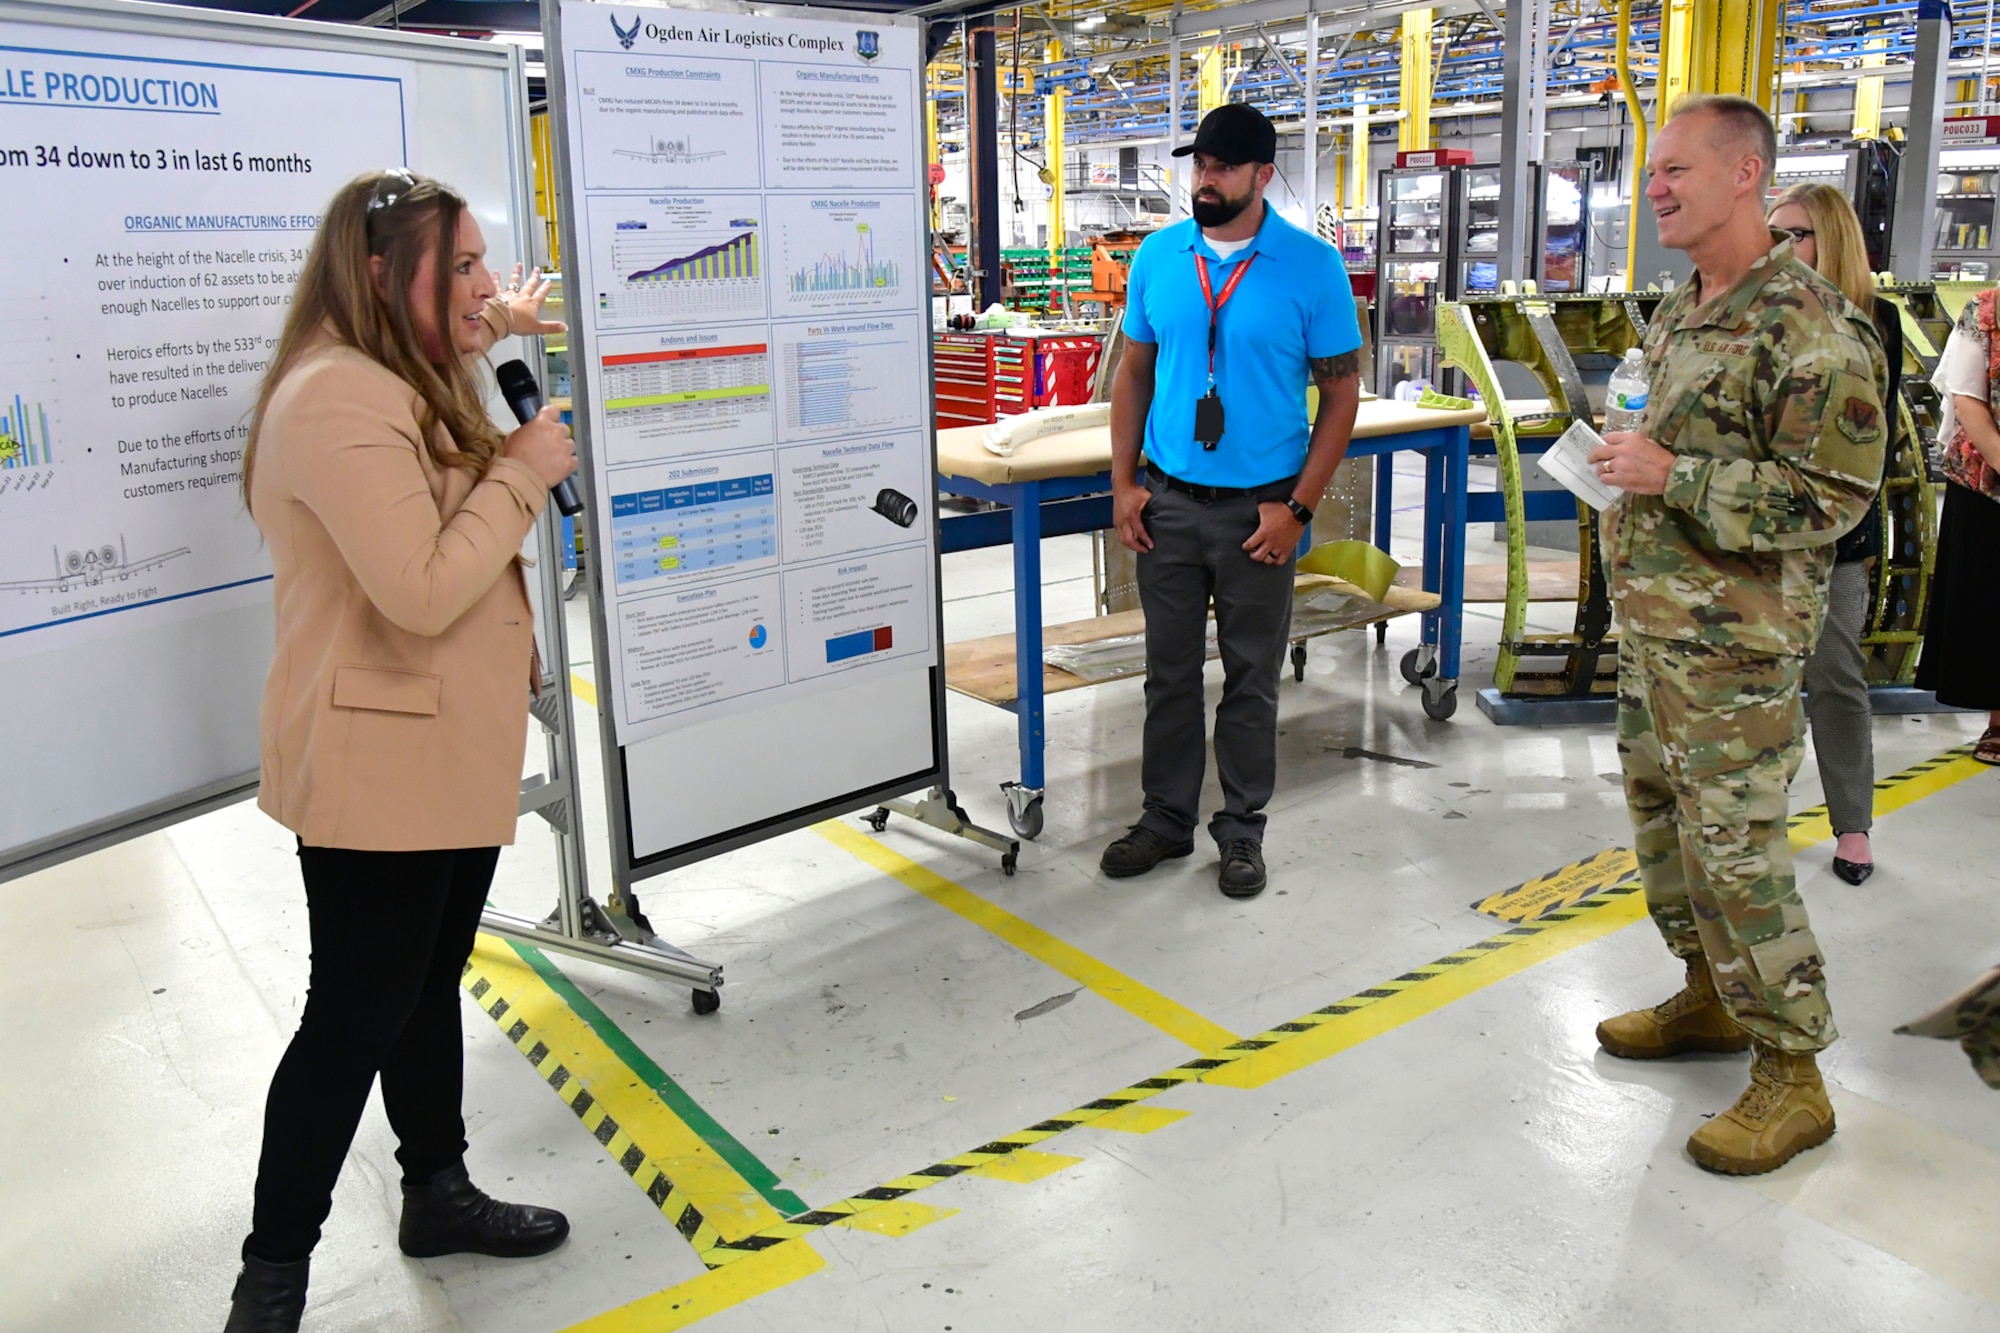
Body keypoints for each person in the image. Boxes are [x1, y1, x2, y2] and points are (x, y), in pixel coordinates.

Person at [223, 169, 577, 1333]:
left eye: (486, 266)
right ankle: (271, 1277)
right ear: (382, 277)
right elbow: (421, 588)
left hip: (442, 753)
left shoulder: (400, 369)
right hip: (379, 763)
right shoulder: (334, 398)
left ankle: (438, 1187)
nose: (484, 288)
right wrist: (523, 470)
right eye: (462, 269)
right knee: (354, 1013)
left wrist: (493, 325)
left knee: (426, 985)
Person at [1586, 95, 1887, 1175]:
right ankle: (1710, 996)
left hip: (1734, 651)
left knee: (1737, 852)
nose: (1653, 187)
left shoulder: (1808, 324)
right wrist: (1621, 463)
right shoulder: (1679, 309)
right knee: (1665, 832)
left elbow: (1834, 494)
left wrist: (1674, 477)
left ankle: (1791, 1071)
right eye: (1651, 172)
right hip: (1653, 634)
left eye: (1673, 168)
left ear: (1745, 172)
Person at [1101, 102, 1362, 899]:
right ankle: (1166, 819)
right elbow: (1134, 372)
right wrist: (1124, 483)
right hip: (1169, 503)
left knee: (1252, 675)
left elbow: (1342, 394)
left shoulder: (1312, 268)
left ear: (1261, 175)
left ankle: (1241, 831)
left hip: (1262, 512)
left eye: (1219, 166)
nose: (1202, 179)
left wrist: (1301, 509)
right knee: (1168, 673)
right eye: (1197, 165)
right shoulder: (1157, 257)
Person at [1766, 182, 1904, 885]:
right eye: (1775, 234)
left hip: (1835, 539)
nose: (1783, 248)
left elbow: (1867, 442)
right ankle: (1753, 821)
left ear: (1832, 238)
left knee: (1836, 677)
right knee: (1758, 684)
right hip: (1755, 533)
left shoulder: (1873, 323)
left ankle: (1852, 824)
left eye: (1798, 234)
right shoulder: (1758, 316)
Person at [1913, 282, 2000, 761]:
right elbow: (1968, 399)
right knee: (1991, 608)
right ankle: (1998, 721)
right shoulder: (1985, 311)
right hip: (1988, 484)